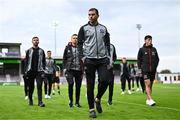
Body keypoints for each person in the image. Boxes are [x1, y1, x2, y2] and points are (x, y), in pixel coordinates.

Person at [77, 8, 110, 118]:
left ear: (98, 15)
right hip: (89, 60)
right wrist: (82, 57)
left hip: (102, 59)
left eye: (93, 14)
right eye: (89, 15)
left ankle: (98, 98)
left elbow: (107, 44)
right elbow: (79, 44)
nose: (90, 16)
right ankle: (91, 109)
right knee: (90, 86)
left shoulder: (103, 28)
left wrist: (108, 57)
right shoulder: (83, 28)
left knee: (105, 80)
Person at [137, 35, 159, 106]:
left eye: (151, 40)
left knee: (151, 86)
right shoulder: (141, 50)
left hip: (153, 70)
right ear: (145, 40)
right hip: (145, 70)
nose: (150, 41)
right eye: (148, 40)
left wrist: (155, 66)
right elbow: (139, 60)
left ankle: (148, 99)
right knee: (147, 83)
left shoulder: (154, 49)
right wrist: (140, 69)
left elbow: (157, 59)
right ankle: (151, 99)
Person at [63, 34, 83, 108]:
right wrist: (65, 68)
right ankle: (71, 101)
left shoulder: (81, 48)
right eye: (74, 38)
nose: (75, 39)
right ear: (71, 39)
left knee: (78, 87)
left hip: (79, 70)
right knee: (71, 84)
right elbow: (64, 59)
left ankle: (77, 102)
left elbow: (83, 58)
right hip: (70, 70)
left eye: (76, 38)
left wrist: (84, 68)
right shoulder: (67, 48)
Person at [24, 36, 46, 107]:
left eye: (37, 40)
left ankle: (40, 102)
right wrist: (25, 71)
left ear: (38, 42)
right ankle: (30, 99)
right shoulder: (29, 51)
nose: (36, 41)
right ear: (32, 41)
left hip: (39, 71)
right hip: (30, 71)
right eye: (34, 40)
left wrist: (43, 71)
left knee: (39, 86)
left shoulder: (42, 51)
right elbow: (26, 62)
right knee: (31, 87)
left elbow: (44, 61)